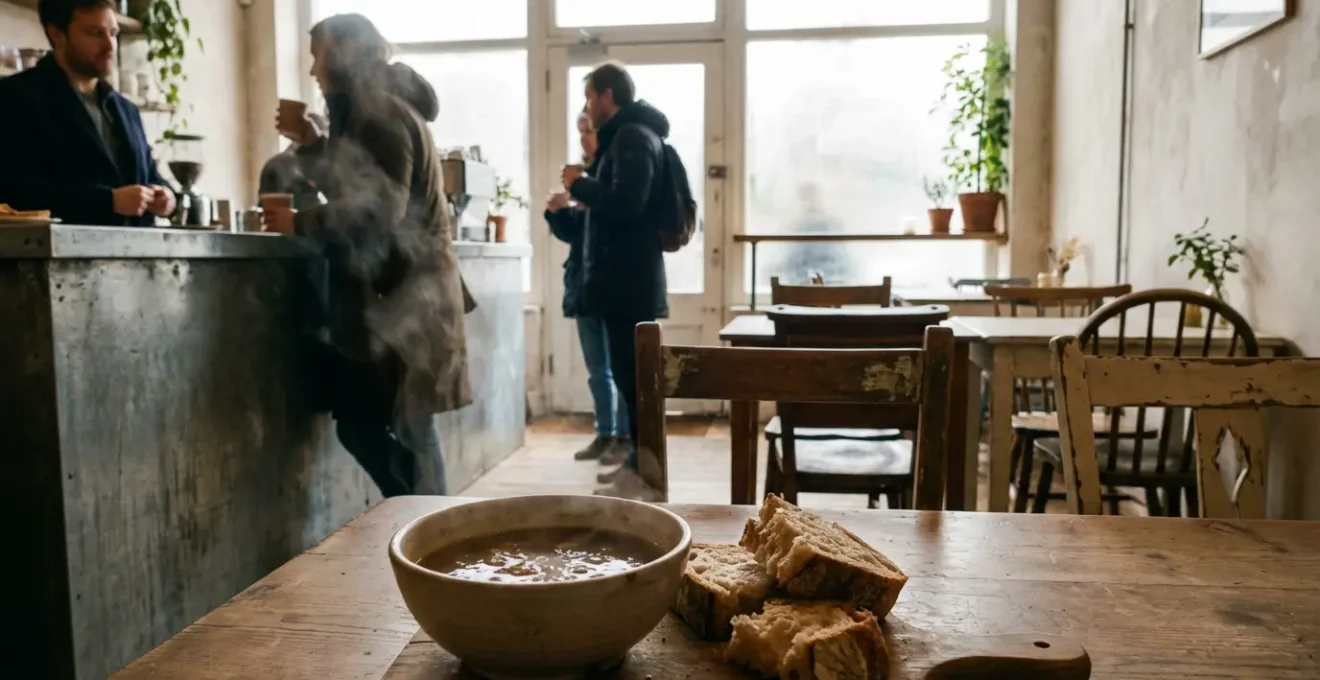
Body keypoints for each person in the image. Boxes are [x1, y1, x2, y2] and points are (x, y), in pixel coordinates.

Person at [264, 13, 473, 497]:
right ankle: (422, 524)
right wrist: (316, 147)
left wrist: (300, 221)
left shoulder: (379, 112)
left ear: (340, 53)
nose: (314, 70)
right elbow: (363, 183)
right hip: (402, 300)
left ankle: (427, 529)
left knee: (402, 430)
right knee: (393, 427)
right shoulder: (376, 108)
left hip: (405, 301)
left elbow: (381, 207)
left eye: (317, 54)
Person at [562, 62, 670, 493]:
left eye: (590, 96)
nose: (588, 105)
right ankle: (636, 465)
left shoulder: (631, 136)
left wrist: (580, 184)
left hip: (627, 285)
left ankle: (645, 471)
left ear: (608, 95)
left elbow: (626, 203)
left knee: (634, 382)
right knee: (630, 381)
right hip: (622, 283)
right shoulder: (629, 136)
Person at [0, 0, 175, 226]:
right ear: (57, 35)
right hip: (56, 257)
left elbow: (149, 175)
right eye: (95, 33)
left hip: (139, 257)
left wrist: (167, 197)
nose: (110, 45)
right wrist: (107, 201)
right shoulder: (15, 96)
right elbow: (12, 188)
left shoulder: (126, 109)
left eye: (113, 33)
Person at [546, 111, 629, 465]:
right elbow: (576, 235)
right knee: (598, 370)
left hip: (610, 284)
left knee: (623, 369)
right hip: (582, 284)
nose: (583, 139)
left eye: (589, 131)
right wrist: (557, 213)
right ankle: (605, 433)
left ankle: (624, 437)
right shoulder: (581, 176)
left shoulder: (608, 175)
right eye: (580, 132)